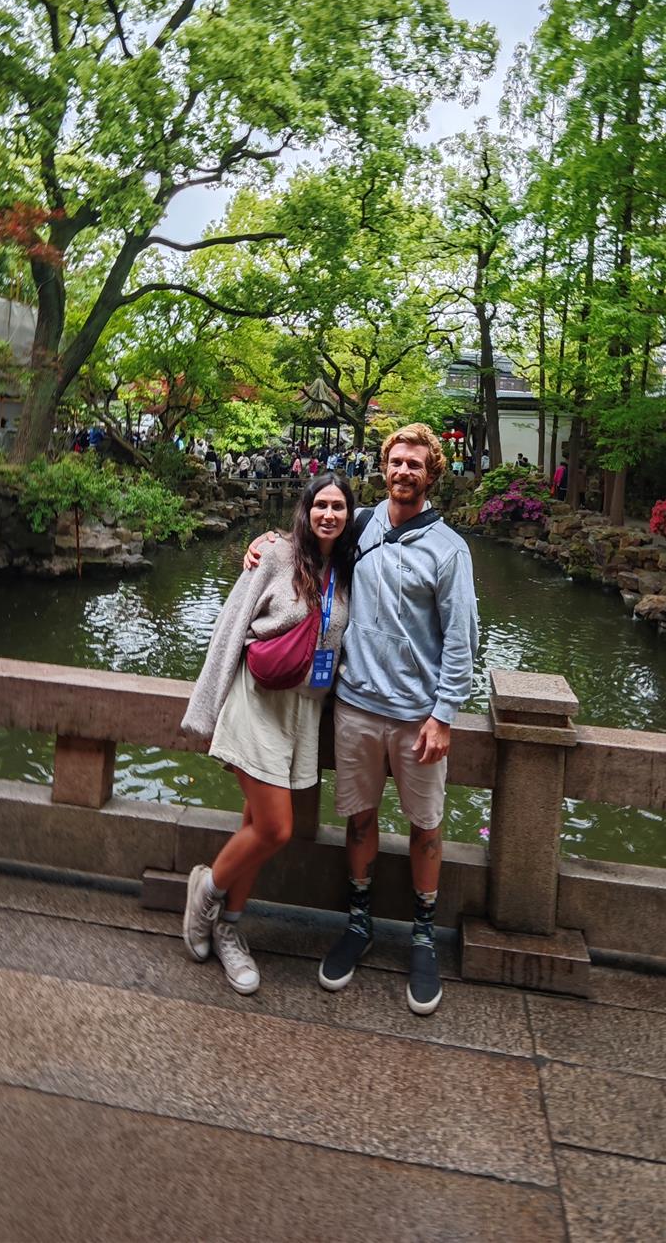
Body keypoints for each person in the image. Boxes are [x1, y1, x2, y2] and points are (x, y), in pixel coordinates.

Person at [245, 423, 478, 1016]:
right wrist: (264, 541)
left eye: (415, 465)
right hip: (355, 706)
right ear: (384, 467)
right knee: (360, 819)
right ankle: (359, 920)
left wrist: (444, 715)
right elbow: (311, 529)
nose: (403, 472)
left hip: (416, 717)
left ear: (432, 474)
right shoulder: (363, 524)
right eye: (395, 462)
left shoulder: (451, 550)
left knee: (426, 825)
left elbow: (460, 640)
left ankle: (422, 935)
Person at [181, 475, 354, 995]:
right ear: (306, 509)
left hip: (302, 712)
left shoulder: (347, 568)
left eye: (339, 506)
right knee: (277, 829)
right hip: (257, 705)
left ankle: (230, 932)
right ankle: (205, 895)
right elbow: (230, 625)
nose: (328, 513)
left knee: (255, 827)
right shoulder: (276, 554)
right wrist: (204, 706)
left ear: (349, 515)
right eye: (320, 504)